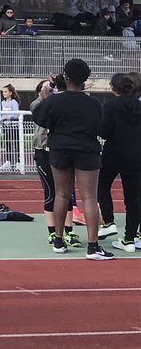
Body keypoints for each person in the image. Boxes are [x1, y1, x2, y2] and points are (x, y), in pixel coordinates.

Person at [32, 58, 113, 259]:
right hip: (86, 150)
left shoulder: (54, 101)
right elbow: (102, 129)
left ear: (66, 77)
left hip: (59, 149)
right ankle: (93, 246)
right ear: (85, 80)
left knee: (61, 194)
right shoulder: (94, 104)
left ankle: (58, 241)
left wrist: (44, 98)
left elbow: (39, 119)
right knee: (90, 198)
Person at [30, 78, 79, 251]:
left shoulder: (61, 104)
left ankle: (69, 230)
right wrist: (46, 94)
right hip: (43, 152)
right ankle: (52, 231)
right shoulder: (39, 104)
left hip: (61, 150)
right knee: (51, 192)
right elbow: (36, 108)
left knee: (67, 193)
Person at [96, 72, 140, 253]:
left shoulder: (110, 106)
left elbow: (104, 131)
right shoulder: (138, 106)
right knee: (133, 197)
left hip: (113, 153)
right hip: (136, 155)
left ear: (114, 88)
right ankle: (129, 239)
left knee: (101, 185)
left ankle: (109, 221)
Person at [0, 84, 21, 172]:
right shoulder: (3, 103)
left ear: (10, 93)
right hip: (6, 126)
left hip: (14, 126)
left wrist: (9, 118)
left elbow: (16, 114)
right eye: (3, 92)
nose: (4, 93)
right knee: (7, 144)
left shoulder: (14, 102)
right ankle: (8, 161)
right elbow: (2, 113)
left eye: (5, 92)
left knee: (16, 144)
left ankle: (18, 162)